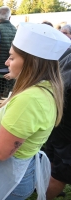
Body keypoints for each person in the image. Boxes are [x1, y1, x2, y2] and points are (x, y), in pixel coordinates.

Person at [0, 22, 71, 200]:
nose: (6, 62)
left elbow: (0, 152)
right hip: (19, 171)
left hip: (7, 179)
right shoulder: (43, 88)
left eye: (12, 57)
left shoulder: (29, 99)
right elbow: (21, 127)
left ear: (31, 64)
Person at [45, 53, 71, 200]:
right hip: (64, 124)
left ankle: (47, 186)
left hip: (58, 116)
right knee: (61, 172)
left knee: (54, 159)